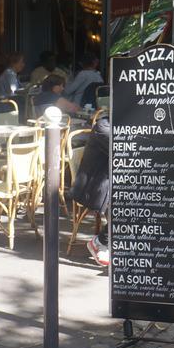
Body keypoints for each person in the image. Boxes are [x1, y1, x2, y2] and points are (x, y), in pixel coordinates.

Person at [70, 114, 111, 266]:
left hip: (111, 182)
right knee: (129, 206)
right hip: (94, 186)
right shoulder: (103, 127)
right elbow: (127, 149)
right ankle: (100, 242)